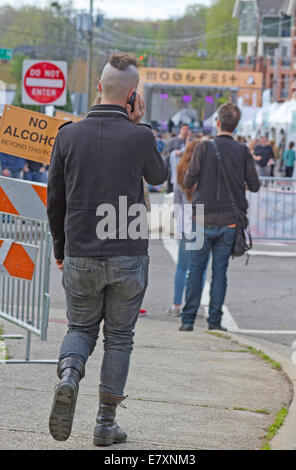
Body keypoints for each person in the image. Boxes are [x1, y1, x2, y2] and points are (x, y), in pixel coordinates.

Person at [47, 53, 168, 446]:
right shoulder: (140, 136)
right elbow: (160, 177)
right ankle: (104, 423)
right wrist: (140, 125)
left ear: (99, 87)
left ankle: (69, 372)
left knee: (80, 328)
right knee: (120, 338)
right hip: (127, 254)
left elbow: (55, 200)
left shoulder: (67, 135)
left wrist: (61, 249)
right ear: (133, 97)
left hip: (80, 250)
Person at [179, 103, 260, 332]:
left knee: (195, 270)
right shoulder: (243, 151)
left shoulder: (203, 149)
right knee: (220, 273)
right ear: (236, 125)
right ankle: (214, 321)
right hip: (229, 219)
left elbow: (188, 181)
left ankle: (188, 320)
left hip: (201, 218)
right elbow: (254, 185)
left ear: (218, 122)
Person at [167, 139, 208, 317]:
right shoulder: (207, 172)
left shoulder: (181, 172)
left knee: (182, 266)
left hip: (185, 222)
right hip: (202, 221)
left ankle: (176, 305)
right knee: (200, 268)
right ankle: (194, 305)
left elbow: (177, 204)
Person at [163, 123, 190, 193]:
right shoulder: (173, 141)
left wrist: (188, 139)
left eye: (187, 129)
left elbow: (189, 151)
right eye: (184, 129)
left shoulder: (190, 140)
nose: (185, 131)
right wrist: (175, 153)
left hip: (185, 169)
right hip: (174, 168)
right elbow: (167, 153)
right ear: (181, 129)